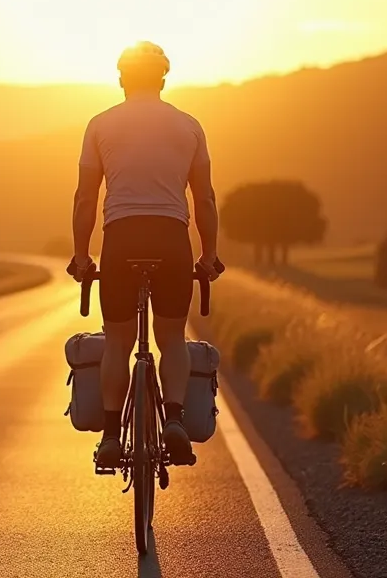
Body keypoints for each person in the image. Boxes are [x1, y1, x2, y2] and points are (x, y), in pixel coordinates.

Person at [68, 41, 221, 468]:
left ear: (120, 79)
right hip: (172, 238)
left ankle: (113, 435)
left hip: (121, 239)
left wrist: (82, 256)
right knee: (171, 337)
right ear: (163, 79)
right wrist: (209, 255)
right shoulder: (188, 125)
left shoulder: (100, 125)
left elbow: (85, 198)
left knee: (117, 340)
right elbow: (204, 198)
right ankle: (173, 419)